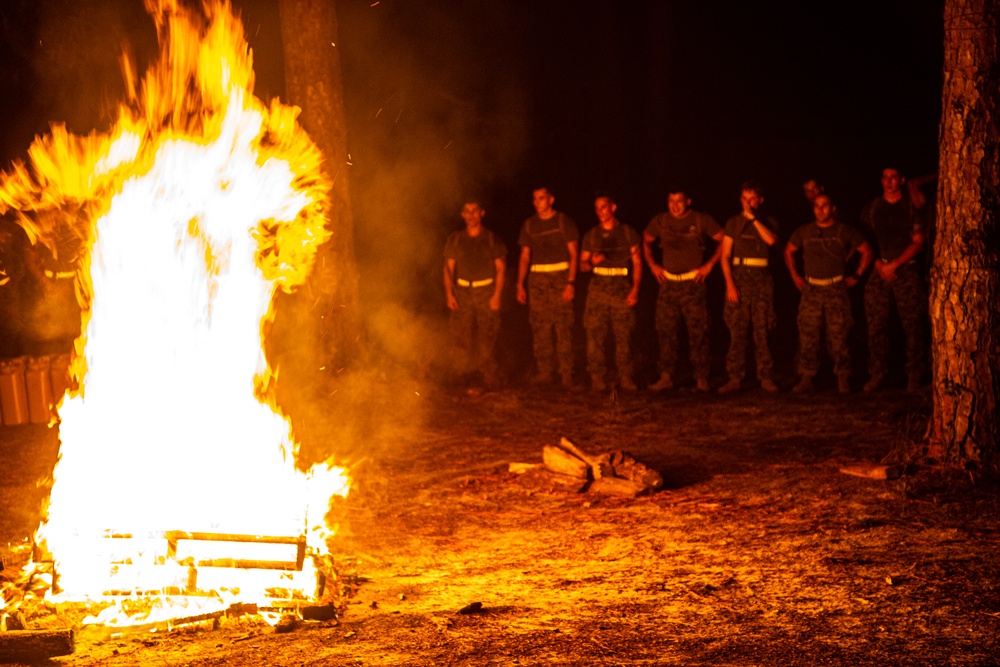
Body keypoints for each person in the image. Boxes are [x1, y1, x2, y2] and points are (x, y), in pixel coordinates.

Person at [784, 194, 873, 393]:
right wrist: (795, 275)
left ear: (833, 208)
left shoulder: (844, 230)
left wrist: (857, 275)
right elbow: (788, 250)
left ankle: (843, 378)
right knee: (808, 334)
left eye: (825, 206)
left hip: (835, 288)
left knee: (839, 334)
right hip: (811, 289)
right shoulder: (805, 231)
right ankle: (807, 377)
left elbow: (866, 250)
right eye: (817, 206)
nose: (820, 209)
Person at [642, 188, 723, 392]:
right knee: (665, 332)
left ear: (688, 201)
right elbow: (645, 241)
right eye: (670, 201)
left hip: (693, 284)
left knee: (698, 333)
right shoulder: (660, 221)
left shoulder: (701, 220)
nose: (674, 205)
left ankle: (702, 379)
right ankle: (666, 376)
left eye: (679, 201)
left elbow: (724, 239)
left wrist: (710, 265)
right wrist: (652, 265)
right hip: (668, 284)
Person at [861, 167, 928, 392]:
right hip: (879, 269)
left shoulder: (911, 207)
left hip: (905, 269)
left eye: (893, 178)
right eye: (885, 178)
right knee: (876, 324)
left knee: (912, 323)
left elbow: (918, 242)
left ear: (901, 180)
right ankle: (878, 372)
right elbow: (865, 242)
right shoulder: (872, 208)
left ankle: (915, 374)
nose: (889, 182)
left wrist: (895, 265)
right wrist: (879, 265)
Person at [718, 182, 779, 394]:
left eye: (752, 199)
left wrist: (753, 219)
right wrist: (730, 284)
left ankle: (766, 377)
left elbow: (771, 241)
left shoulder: (769, 222)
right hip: (739, 276)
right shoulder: (733, 223)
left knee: (762, 330)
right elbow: (725, 256)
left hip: (761, 278)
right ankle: (735, 377)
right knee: (737, 330)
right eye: (744, 199)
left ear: (760, 200)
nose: (748, 203)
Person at [516, 187, 579, 387]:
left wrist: (570, 282)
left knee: (563, 327)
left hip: (560, 278)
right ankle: (545, 372)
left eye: (541, 198)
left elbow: (574, 254)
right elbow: (525, 256)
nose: (537, 202)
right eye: (534, 199)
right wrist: (520, 284)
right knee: (540, 327)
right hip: (537, 280)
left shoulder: (563, 221)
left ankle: (566, 373)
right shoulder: (529, 224)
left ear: (551, 199)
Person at [579, 194, 642, 392]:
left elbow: (638, 263)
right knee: (594, 334)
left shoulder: (627, 232)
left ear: (613, 207)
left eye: (603, 207)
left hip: (621, 286)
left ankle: (625, 377)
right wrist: (591, 263)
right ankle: (597, 377)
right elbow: (582, 265)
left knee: (623, 335)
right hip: (598, 286)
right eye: (597, 208)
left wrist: (635, 289)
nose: (600, 211)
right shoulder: (592, 235)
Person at [443, 199, 507, 389]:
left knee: (488, 337)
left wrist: (496, 295)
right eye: (467, 211)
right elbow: (447, 269)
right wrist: (449, 294)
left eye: (475, 211)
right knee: (460, 337)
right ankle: (459, 377)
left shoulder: (492, 238)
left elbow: (501, 269)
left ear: (482, 213)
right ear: (463, 215)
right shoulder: (455, 239)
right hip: (462, 291)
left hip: (485, 291)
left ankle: (489, 380)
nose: (471, 215)